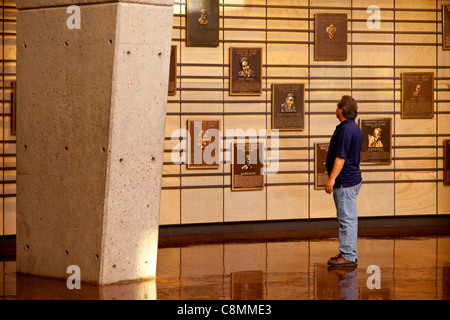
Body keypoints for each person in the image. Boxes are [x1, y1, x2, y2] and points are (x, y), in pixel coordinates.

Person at [325, 95, 363, 268]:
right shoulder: (353, 128)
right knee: (349, 218)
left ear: (341, 109)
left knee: (346, 219)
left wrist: (331, 178)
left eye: (337, 107)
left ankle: (348, 254)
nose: (336, 110)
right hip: (351, 179)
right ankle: (347, 251)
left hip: (345, 182)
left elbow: (340, 157)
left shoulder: (346, 130)